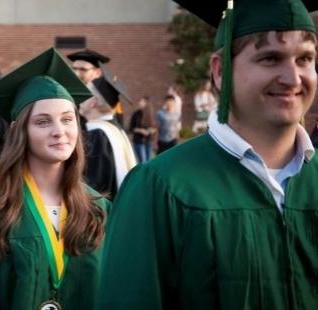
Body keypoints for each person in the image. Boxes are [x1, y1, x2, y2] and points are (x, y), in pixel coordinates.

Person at [97, 0, 318, 308]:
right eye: (270, 58)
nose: (293, 79)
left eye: (305, 59)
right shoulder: (161, 187)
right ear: (219, 70)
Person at [0, 48, 111, 309]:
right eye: (43, 122)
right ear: (21, 132)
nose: (59, 131)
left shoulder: (98, 209)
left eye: (67, 119)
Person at [80, 75, 137, 197]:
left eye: (84, 93)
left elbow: (93, 187)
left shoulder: (98, 135)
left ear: (93, 102)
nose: (79, 98)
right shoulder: (115, 129)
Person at [129, 96, 156, 163]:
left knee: (149, 161)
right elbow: (131, 129)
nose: (139, 103)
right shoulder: (136, 114)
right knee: (143, 162)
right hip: (138, 141)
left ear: (146, 103)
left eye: (142, 101)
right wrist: (141, 131)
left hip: (148, 141)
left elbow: (155, 128)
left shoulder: (151, 114)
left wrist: (150, 131)